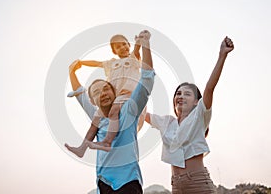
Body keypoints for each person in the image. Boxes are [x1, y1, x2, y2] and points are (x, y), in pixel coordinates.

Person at [65, 30, 154, 193]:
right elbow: (81, 93)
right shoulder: (98, 115)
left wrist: (143, 44)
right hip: (103, 183)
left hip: (127, 183)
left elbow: (147, 77)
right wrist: (76, 67)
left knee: (114, 113)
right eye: (97, 92)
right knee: (96, 122)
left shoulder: (129, 111)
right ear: (93, 100)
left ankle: (106, 141)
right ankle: (82, 148)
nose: (103, 93)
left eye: (106, 89)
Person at [145, 36, 234, 193]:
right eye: (178, 93)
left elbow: (209, 88)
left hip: (198, 183)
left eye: (187, 94)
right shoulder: (166, 122)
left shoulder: (200, 116)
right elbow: (141, 110)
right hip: (176, 186)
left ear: (196, 102)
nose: (181, 96)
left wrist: (222, 56)